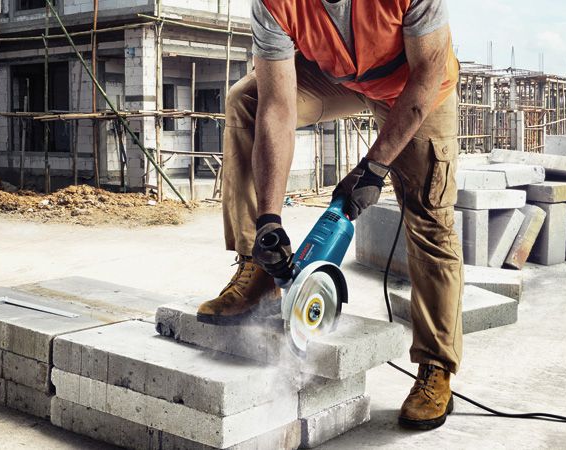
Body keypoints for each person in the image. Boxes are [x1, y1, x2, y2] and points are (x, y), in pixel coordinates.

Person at [196, 0, 463, 430]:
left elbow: (426, 75)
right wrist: (269, 221)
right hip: (340, 78)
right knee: (245, 100)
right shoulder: (273, 4)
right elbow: (277, 106)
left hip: (417, 86)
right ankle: (259, 270)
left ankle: (436, 365)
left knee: (429, 215)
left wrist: (374, 168)